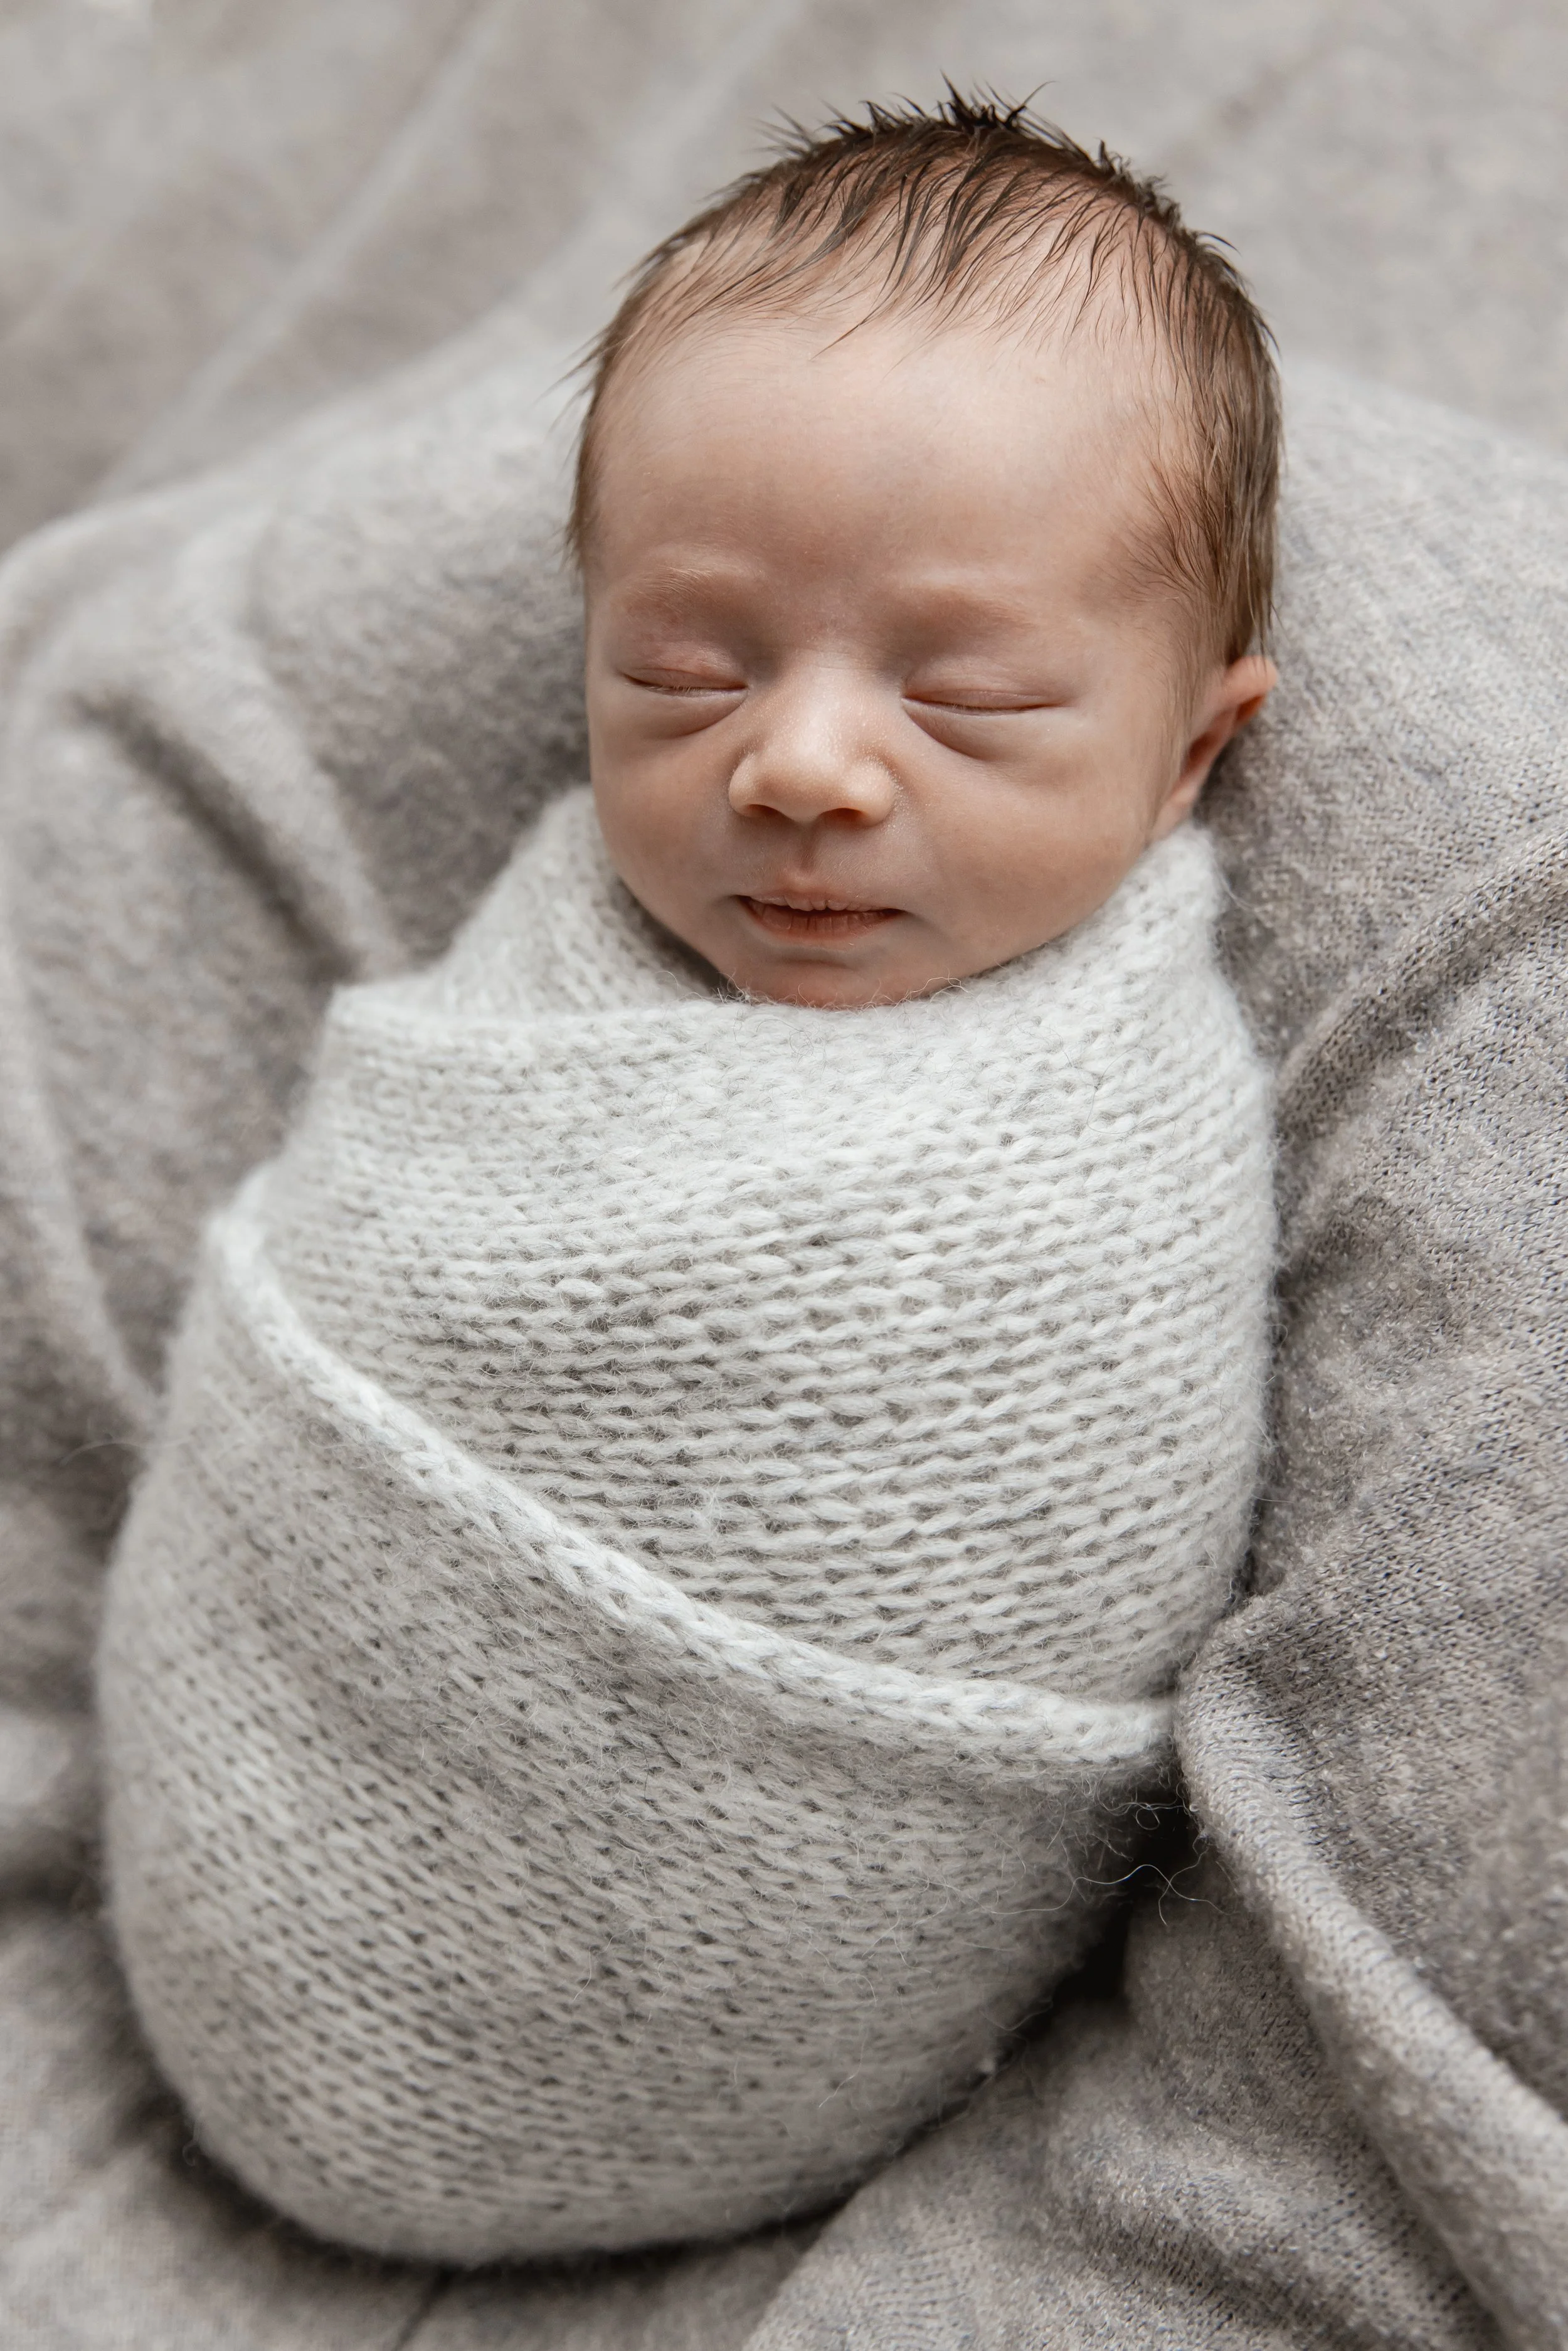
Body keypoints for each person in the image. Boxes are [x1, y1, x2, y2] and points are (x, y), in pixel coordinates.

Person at [95, 100, 1281, 2263]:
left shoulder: (1115, 1140)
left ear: (1194, 741)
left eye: (967, 694)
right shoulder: (562, 928)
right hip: (280, 1802)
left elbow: (1079, 1522)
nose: (800, 766)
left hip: (726, 2000)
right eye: (683, 670)